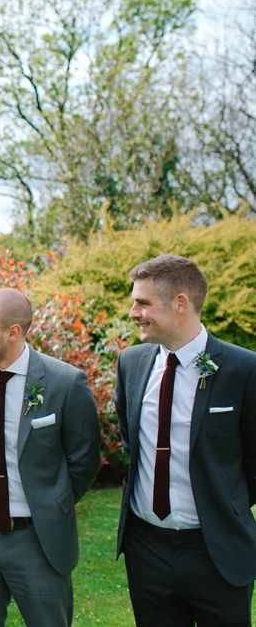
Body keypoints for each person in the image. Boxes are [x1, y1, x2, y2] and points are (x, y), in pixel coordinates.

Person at [0, 288, 101, 627]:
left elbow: (84, 461)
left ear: (13, 332)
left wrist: (51, 503)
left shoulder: (65, 383)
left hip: (39, 541)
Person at [115, 254, 256, 626]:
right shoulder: (130, 364)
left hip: (216, 549)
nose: (133, 313)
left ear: (180, 303)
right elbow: (132, 444)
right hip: (146, 549)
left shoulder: (244, 369)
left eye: (142, 303)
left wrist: (222, 504)